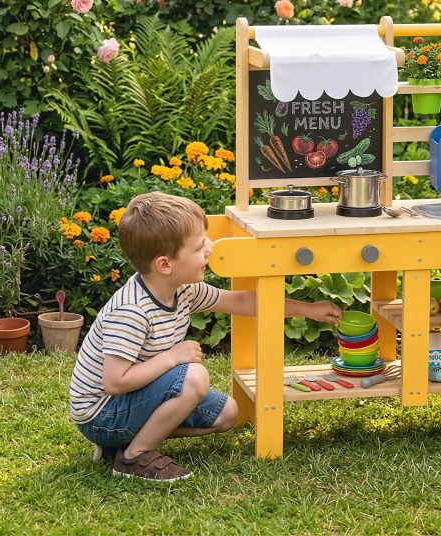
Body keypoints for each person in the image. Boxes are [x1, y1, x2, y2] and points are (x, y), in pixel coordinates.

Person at [70, 191, 341, 481]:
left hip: (129, 402)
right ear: (165, 264)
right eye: (199, 246)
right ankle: (135, 455)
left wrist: (309, 309)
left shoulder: (183, 289)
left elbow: (242, 302)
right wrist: (172, 358)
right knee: (194, 377)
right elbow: (114, 382)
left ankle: (126, 442)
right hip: (101, 414)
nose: (210, 248)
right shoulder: (132, 311)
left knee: (226, 413)